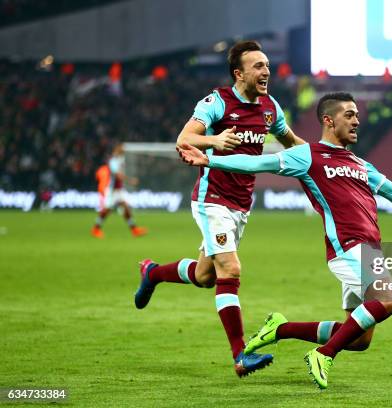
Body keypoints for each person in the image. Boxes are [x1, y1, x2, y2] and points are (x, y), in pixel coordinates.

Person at [176, 92, 392, 389]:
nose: (356, 121)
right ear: (328, 121)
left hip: (370, 249)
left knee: (359, 340)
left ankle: (279, 329)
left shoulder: (361, 164)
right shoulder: (307, 155)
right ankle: (323, 355)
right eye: (349, 115)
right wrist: (211, 161)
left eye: (357, 115)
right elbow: (258, 164)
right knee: (389, 300)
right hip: (347, 246)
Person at [134, 40, 305, 377]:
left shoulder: (270, 108)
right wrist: (215, 140)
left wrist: (324, 156)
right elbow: (185, 138)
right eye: (258, 66)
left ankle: (152, 272)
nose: (266, 71)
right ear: (238, 73)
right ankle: (241, 355)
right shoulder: (217, 102)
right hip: (212, 199)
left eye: (267, 65)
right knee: (231, 270)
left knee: (205, 275)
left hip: (242, 205)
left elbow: (292, 143)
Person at [91, 143, 147, 238]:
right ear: (116, 151)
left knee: (125, 207)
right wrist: (130, 180)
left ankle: (134, 229)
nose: (122, 151)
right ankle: (96, 228)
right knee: (106, 210)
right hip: (113, 190)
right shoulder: (113, 161)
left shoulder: (120, 159)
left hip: (119, 190)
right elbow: (117, 175)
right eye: (120, 149)